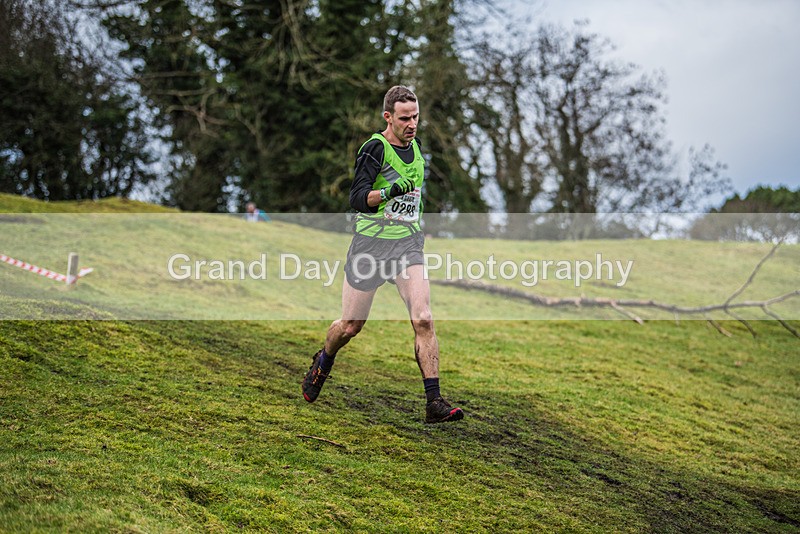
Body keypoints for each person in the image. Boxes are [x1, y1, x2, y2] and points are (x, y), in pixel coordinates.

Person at [301, 85, 464, 424]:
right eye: (404, 118)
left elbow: (413, 200)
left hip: (406, 245)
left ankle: (434, 402)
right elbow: (357, 199)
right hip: (370, 246)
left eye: (416, 117)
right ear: (388, 117)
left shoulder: (416, 147)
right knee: (350, 326)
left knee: (423, 318)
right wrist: (390, 192)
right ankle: (324, 359)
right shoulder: (375, 148)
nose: (412, 124)